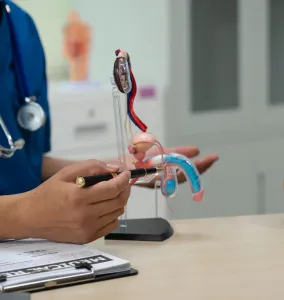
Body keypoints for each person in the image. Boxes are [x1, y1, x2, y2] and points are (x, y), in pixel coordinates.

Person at [0, 1, 218, 244]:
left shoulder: (19, 27)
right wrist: (23, 215)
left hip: (30, 253)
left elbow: (20, 162)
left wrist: (118, 169)